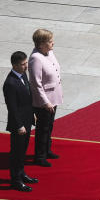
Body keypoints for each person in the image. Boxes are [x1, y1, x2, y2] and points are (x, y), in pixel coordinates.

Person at [28, 28, 63, 167]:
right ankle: (40, 156)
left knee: (50, 126)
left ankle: (47, 150)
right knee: (43, 128)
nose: (52, 43)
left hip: (53, 96)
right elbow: (36, 83)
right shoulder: (35, 59)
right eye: (49, 41)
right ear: (41, 44)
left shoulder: (49, 52)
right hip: (44, 101)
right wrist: (45, 102)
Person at [3, 51, 38, 191]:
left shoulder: (23, 74)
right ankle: (15, 180)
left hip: (27, 119)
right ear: (15, 65)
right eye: (23, 64)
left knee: (23, 150)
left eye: (26, 63)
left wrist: (32, 114)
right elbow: (12, 107)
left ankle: (22, 173)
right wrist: (19, 125)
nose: (26, 66)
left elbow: (28, 97)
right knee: (16, 152)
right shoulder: (10, 83)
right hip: (19, 125)